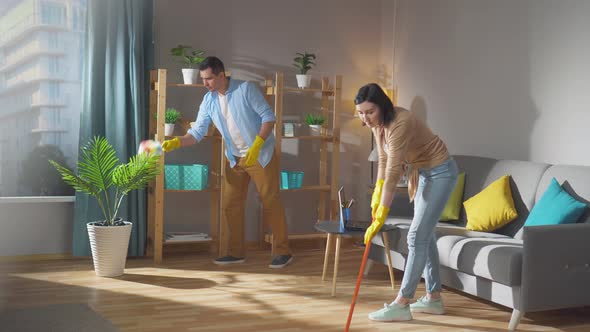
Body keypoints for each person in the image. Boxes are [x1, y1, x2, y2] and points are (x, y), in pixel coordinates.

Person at [162, 56, 293, 269]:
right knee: (231, 205)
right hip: (234, 158)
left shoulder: (246, 89)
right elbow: (196, 133)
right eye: (203, 79)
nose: (205, 84)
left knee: (271, 201)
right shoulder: (208, 100)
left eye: (209, 79)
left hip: (259, 155)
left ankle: (283, 251)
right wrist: (177, 142)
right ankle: (236, 253)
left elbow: (268, 117)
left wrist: (257, 145)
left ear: (222, 75)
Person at [355, 83, 458, 321]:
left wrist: (383, 211)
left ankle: (402, 303)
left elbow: (393, 171)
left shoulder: (400, 122)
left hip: (440, 172)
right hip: (422, 173)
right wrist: (376, 196)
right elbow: (382, 159)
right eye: (361, 112)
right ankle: (434, 298)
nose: (365, 118)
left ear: (381, 106)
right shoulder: (377, 125)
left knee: (416, 237)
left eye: (369, 112)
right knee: (426, 235)